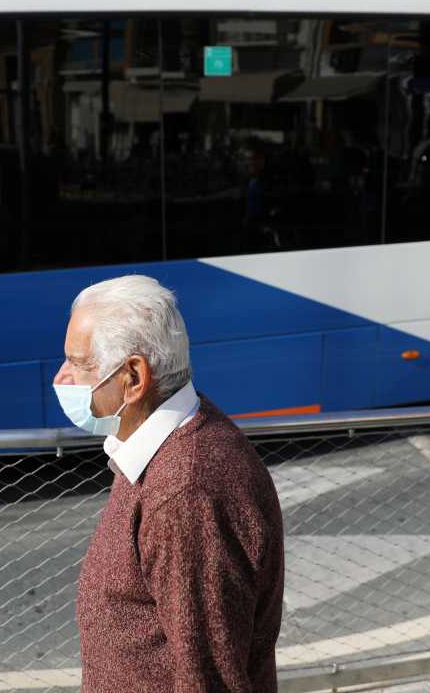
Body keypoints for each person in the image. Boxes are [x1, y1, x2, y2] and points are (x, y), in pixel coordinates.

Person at [53, 275, 285, 693]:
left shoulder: (186, 492)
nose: (63, 378)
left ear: (134, 377)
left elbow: (210, 680)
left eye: (80, 363)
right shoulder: (156, 450)